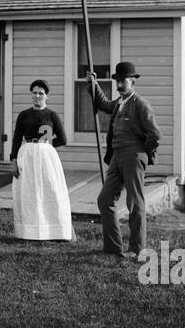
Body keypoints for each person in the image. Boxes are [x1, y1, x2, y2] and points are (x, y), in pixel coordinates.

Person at [89, 61, 162, 259]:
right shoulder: (119, 103)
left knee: (135, 202)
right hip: (116, 156)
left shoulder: (140, 104)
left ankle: (137, 248)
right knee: (104, 199)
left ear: (133, 81)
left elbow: (155, 135)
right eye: (117, 81)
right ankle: (114, 247)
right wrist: (94, 84)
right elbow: (103, 104)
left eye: (123, 81)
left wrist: (141, 152)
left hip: (133, 156)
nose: (119, 85)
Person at [10, 79, 73, 241]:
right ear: (31, 94)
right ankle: (29, 232)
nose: (37, 96)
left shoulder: (52, 115)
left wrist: (47, 146)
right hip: (27, 155)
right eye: (35, 93)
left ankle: (55, 231)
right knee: (29, 192)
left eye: (41, 93)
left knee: (50, 190)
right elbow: (16, 139)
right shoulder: (24, 115)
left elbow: (63, 139)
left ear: (47, 96)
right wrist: (13, 160)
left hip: (46, 157)